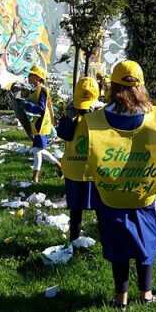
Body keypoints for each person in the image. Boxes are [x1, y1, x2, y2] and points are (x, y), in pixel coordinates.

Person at [85, 61, 156, 308]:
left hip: (111, 196)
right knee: (145, 242)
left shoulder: (97, 118)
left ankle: (121, 298)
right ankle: (146, 294)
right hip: (143, 193)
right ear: (141, 86)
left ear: (113, 86)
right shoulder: (155, 116)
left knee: (118, 245)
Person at [57, 77, 100, 244]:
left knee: (88, 209)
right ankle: (75, 239)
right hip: (85, 170)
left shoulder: (99, 112)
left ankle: (80, 238)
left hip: (81, 170)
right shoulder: (72, 112)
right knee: (86, 209)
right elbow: (64, 134)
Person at [22, 65, 61, 183]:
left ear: (38, 78)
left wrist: (26, 105)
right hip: (37, 122)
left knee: (37, 150)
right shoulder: (36, 89)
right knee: (38, 149)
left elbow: (41, 108)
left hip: (42, 123)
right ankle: (59, 165)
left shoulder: (42, 89)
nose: (29, 77)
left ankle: (35, 177)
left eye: (31, 75)